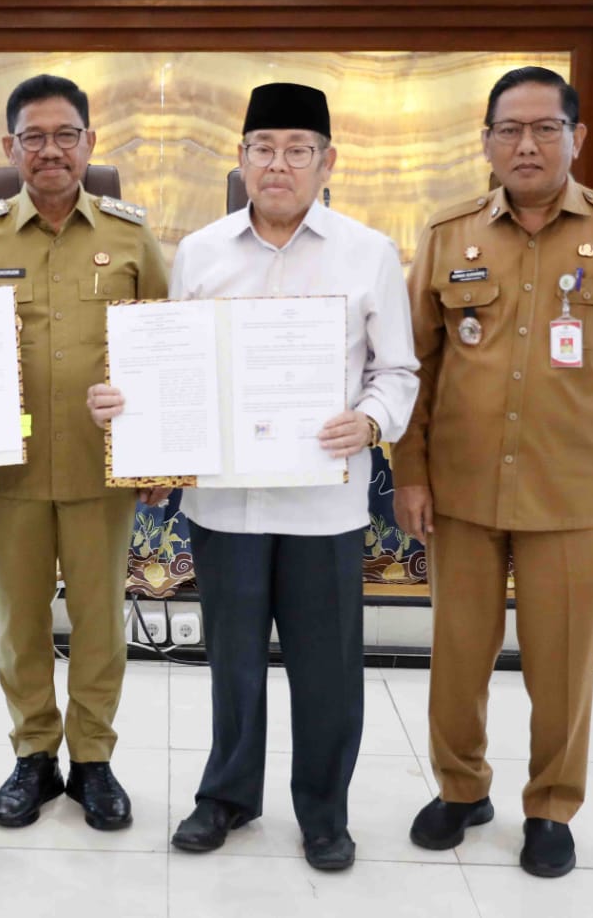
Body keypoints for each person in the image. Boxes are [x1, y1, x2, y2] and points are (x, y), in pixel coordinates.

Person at [88, 82, 418, 870]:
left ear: (327, 162)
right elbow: (172, 367)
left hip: (323, 505)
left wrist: (371, 421)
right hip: (226, 504)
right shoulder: (200, 252)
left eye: (298, 150)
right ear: (240, 159)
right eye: (263, 148)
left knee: (326, 670)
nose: (279, 164)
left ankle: (324, 813)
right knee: (232, 662)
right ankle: (227, 796)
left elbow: (398, 370)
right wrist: (134, 414)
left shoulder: (368, 252)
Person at [392, 66, 593, 878]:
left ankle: (551, 805)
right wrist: (410, 472)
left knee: (562, 668)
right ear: (485, 141)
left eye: (545, 128)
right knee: (458, 658)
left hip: (572, 494)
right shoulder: (448, 234)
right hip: (462, 490)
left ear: (575, 138)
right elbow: (413, 368)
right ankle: (461, 789)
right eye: (509, 130)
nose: (526, 144)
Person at [0, 75, 169, 833]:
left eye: (65, 135)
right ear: (10, 148)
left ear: (90, 144)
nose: (50, 151)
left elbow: (163, 350)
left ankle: (93, 759)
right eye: (33, 137)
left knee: (100, 622)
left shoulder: (130, 236)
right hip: (10, 470)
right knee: (21, 622)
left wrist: (159, 455)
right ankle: (34, 755)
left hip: (102, 469)